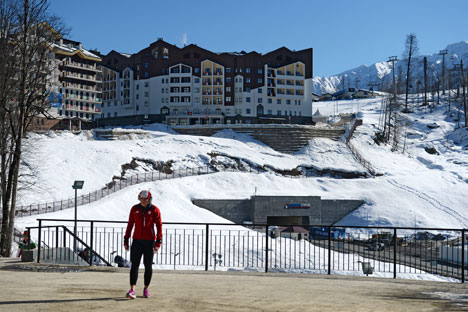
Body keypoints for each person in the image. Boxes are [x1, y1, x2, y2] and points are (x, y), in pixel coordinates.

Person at [124, 190, 162, 299]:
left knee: (148, 266)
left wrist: (158, 241)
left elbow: (159, 226)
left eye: (145, 199)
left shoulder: (155, 210)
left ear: (149, 199)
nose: (143, 201)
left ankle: (146, 288)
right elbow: (130, 224)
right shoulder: (135, 209)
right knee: (134, 265)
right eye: (141, 199)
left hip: (149, 242)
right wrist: (126, 239)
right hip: (137, 241)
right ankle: (132, 290)